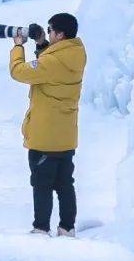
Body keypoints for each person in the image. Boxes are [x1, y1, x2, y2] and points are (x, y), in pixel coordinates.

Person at [8, 12, 86, 237]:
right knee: (64, 184)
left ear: (60, 35)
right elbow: (50, 64)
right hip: (66, 136)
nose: (49, 33)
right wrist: (42, 43)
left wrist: (17, 47)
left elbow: (18, 72)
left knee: (42, 185)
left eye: (50, 30)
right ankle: (67, 228)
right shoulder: (76, 54)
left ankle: (41, 229)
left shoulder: (52, 62)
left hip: (45, 138)